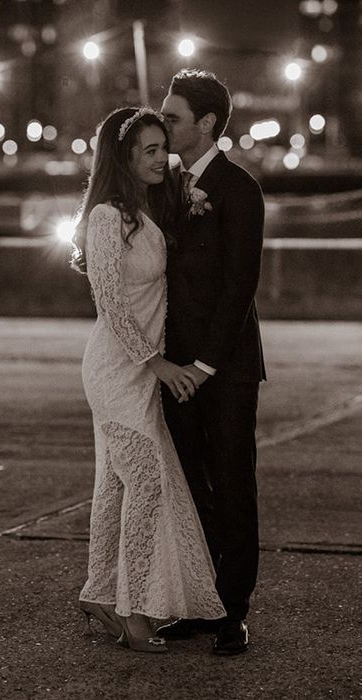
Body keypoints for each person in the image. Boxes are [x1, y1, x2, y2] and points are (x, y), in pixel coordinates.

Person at [71, 106, 225, 654]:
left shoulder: (148, 206)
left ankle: (98, 590)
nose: (164, 158)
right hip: (117, 367)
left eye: (165, 147)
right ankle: (133, 608)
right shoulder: (108, 217)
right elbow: (110, 302)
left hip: (140, 369)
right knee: (146, 480)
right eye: (151, 151)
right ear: (124, 157)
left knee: (114, 484)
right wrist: (157, 364)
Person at [156, 69, 266, 656]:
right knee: (188, 487)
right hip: (173, 368)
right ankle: (199, 602)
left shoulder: (239, 188)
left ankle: (233, 612)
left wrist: (204, 365)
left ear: (205, 124)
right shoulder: (164, 184)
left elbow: (239, 287)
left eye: (173, 117)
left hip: (226, 369)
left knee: (232, 484)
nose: (163, 123)